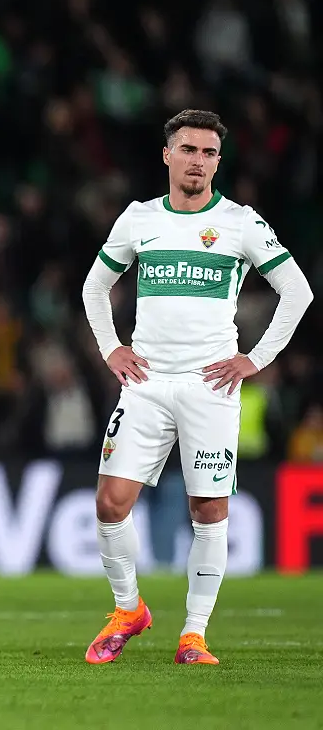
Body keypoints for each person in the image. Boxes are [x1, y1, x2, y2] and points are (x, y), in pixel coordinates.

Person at [81, 109, 313, 665]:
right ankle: (128, 609)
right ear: (167, 154)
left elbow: (297, 292)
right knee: (111, 503)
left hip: (211, 387)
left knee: (208, 511)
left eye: (209, 153)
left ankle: (194, 635)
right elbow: (95, 287)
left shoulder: (240, 223)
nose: (198, 162)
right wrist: (111, 348)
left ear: (217, 162)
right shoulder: (138, 219)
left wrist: (253, 360)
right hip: (146, 381)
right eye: (189, 150)